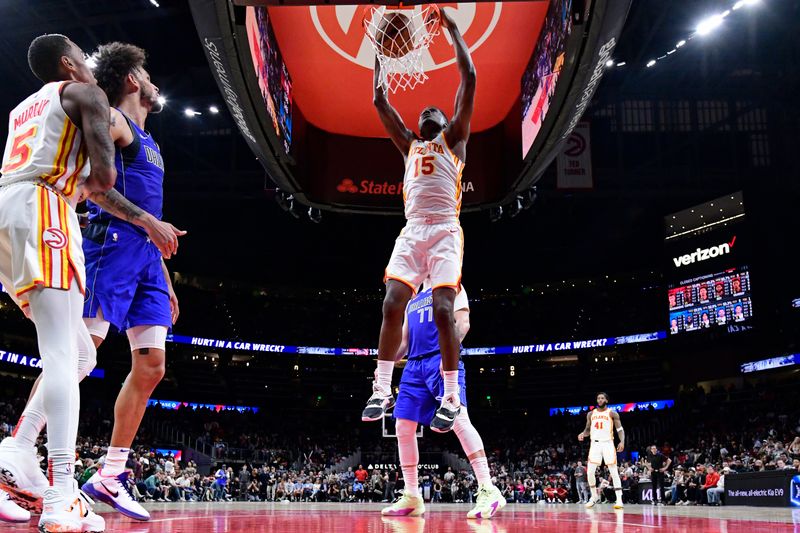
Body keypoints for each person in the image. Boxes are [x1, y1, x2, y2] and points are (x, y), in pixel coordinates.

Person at [0, 33, 114, 532]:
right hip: (46, 208)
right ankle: (61, 494)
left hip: (10, 210)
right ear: (69, 64)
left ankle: (19, 447)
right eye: (84, 58)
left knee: (80, 354)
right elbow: (106, 176)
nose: (91, 66)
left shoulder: (23, 108)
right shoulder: (85, 93)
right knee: (62, 356)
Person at [362, 9, 476, 433]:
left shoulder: (455, 140)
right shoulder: (410, 146)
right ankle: (380, 388)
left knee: (445, 311)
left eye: (436, 110)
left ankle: (450, 396)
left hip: (446, 228)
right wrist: (379, 53)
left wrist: (453, 32)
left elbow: (470, 79)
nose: (428, 110)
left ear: (446, 123)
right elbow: (379, 101)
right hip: (413, 230)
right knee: (393, 303)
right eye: (423, 110)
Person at [380, 284, 505, 519]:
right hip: (414, 366)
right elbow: (404, 343)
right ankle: (412, 495)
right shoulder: (412, 298)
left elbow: (463, 324)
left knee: (459, 419)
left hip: (441, 358)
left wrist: (450, 353)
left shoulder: (452, 286)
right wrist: (384, 363)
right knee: (403, 426)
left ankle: (489, 489)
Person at [577, 392, 625, 509]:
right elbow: (588, 430)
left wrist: (622, 441)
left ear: (606, 401)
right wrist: (583, 434)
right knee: (589, 472)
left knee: (613, 471)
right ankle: (594, 497)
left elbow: (620, 429)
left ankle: (619, 499)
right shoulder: (590, 414)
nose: (599, 400)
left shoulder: (612, 413)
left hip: (608, 443)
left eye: (602, 398)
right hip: (595, 444)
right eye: (598, 398)